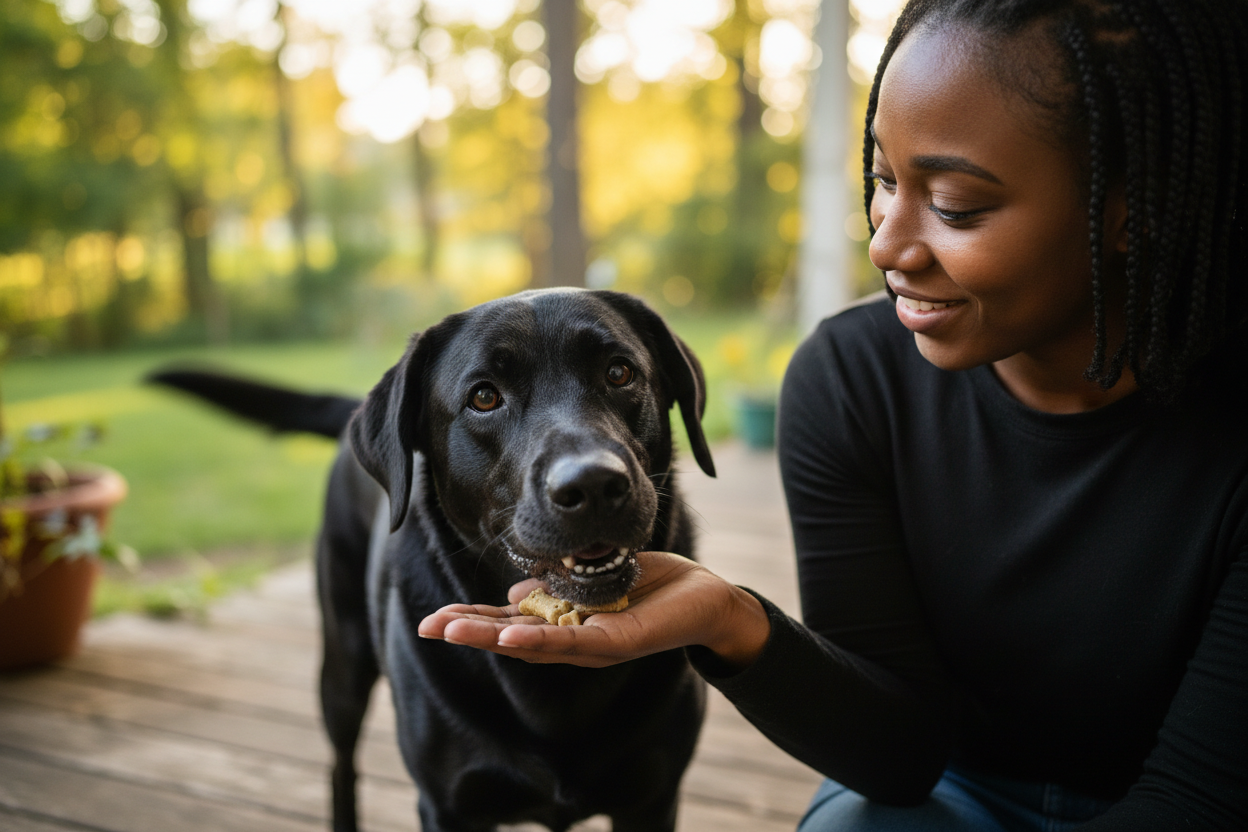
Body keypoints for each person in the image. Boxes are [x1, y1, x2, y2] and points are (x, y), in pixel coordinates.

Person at [418, 0, 1248, 828]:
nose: (885, 243)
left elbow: (1199, 798)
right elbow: (899, 761)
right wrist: (731, 620)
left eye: (955, 204)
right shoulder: (853, 378)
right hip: (954, 790)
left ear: (1137, 206)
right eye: (885, 180)